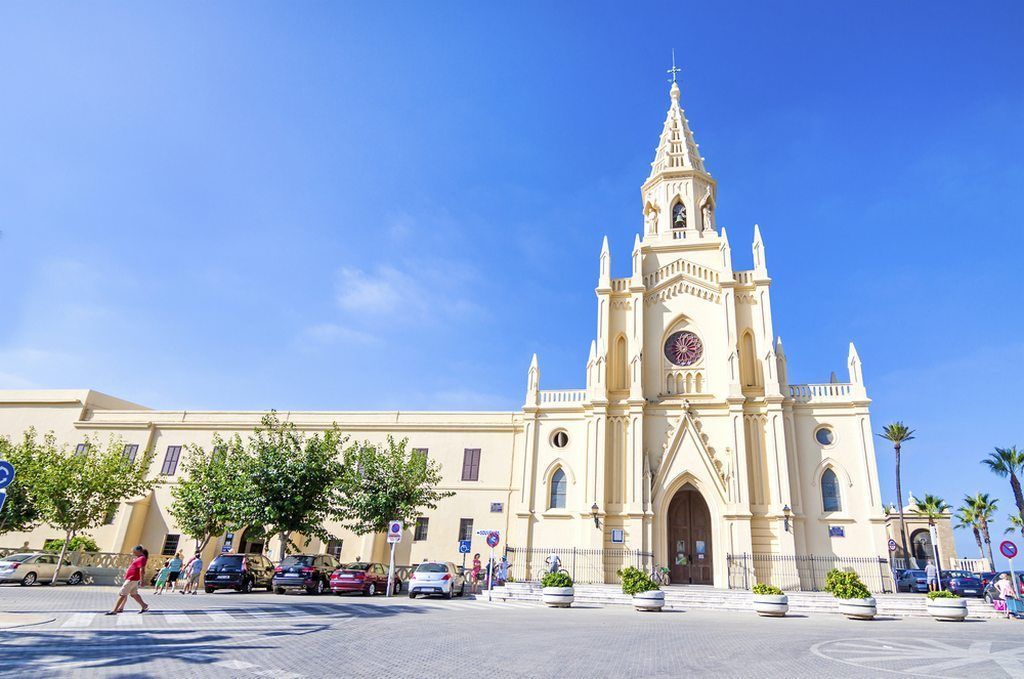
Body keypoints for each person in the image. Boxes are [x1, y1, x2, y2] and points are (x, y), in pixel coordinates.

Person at [106, 545, 149, 615]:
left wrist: (142, 580)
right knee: (134, 594)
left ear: (138, 551)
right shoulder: (139, 558)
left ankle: (114, 610)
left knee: (122, 594)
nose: (133, 553)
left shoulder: (142, 558)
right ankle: (144, 606)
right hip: (132, 579)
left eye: (134, 552)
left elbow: (142, 570)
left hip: (132, 579)